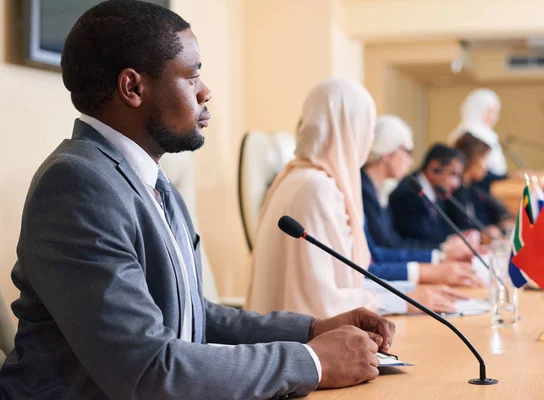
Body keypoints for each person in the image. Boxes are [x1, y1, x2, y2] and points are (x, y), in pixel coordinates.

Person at [0, 2, 397, 398]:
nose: (206, 92)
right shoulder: (77, 185)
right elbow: (149, 370)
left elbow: (193, 315)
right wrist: (313, 361)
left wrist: (313, 329)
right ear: (133, 88)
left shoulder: (150, 177)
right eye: (192, 76)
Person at [247, 79, 463, 320]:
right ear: (351, 131)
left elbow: (343, 285)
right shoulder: (315, 188)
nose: (369, 142)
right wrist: (404, 300)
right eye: (367, 130)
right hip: (301, 347)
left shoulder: (300, 178)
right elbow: (323, 303)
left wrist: (407, 296)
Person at [362, 115, 482, 287]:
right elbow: (379, 251)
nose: (411, 162)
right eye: (408, 152)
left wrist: (440, 255)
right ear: (387, 152)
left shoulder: (375, 189)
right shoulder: (363, 188)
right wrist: (436, 260)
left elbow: (389, 243)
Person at [388, 144, 470, 245]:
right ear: (434, 168)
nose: (456, 184)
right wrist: (454, 241)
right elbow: (423, 238)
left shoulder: (438, 193)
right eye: (453, 174)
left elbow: (441, 229)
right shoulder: (407, 193)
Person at [448, 89, 507, 197]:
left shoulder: (489, 134)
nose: (494, 117)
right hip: (475, 189)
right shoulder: (467, 134)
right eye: (491, 112)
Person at [453, 133, 512, 237]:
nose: (486, 165)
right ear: (471, 159)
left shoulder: (473, 188)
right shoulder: (454, 190)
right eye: (484, 158)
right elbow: (459, 227)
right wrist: (481, 234)